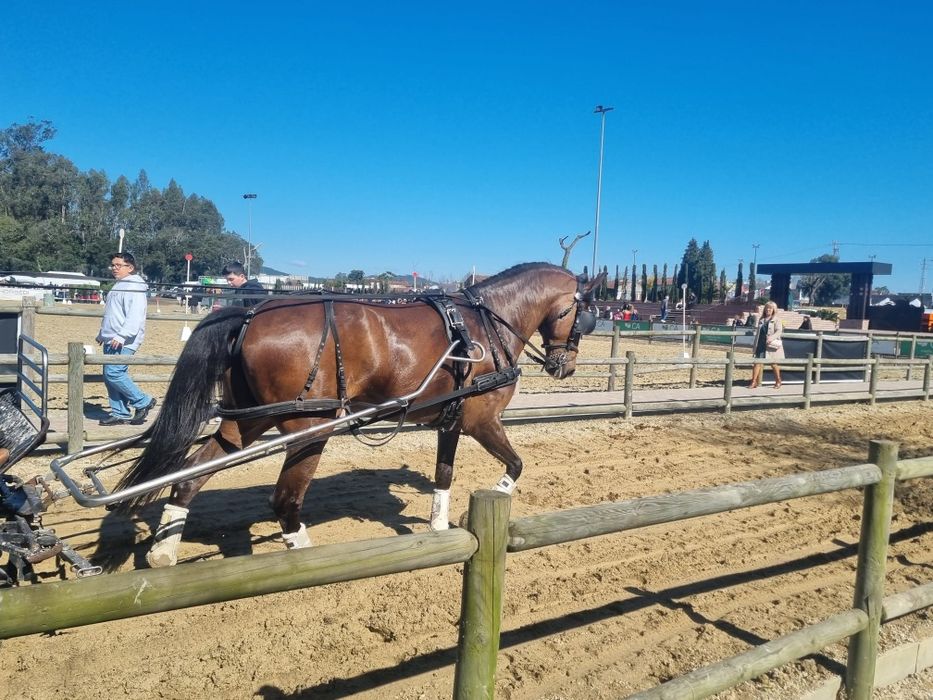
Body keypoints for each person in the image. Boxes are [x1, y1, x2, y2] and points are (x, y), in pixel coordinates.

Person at [97, 252, 156, 426]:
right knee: (110, 376)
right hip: (111, 338)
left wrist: (123, 335)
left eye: (118, 265)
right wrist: (103, 334)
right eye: (113, 265)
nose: (114, 268)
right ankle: (119, 412)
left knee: (114, 373)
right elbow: (113, 313)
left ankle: (143, 401)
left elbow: (135, 315)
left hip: (125, 339)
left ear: (130, 267)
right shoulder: (119, 285)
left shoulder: (134, 286)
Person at [749, 301, 784, 389]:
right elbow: (759, 332)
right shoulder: (761, 320)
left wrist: (771, 338)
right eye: (767, 308)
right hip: (760, 344)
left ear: (773, 310)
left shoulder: (777, 319)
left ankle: (778, 381)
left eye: (770, 308)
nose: (768, 309)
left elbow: (779, 331)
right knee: (757, 363)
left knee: (773, 363)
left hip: (770, 345)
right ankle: (753, 382)